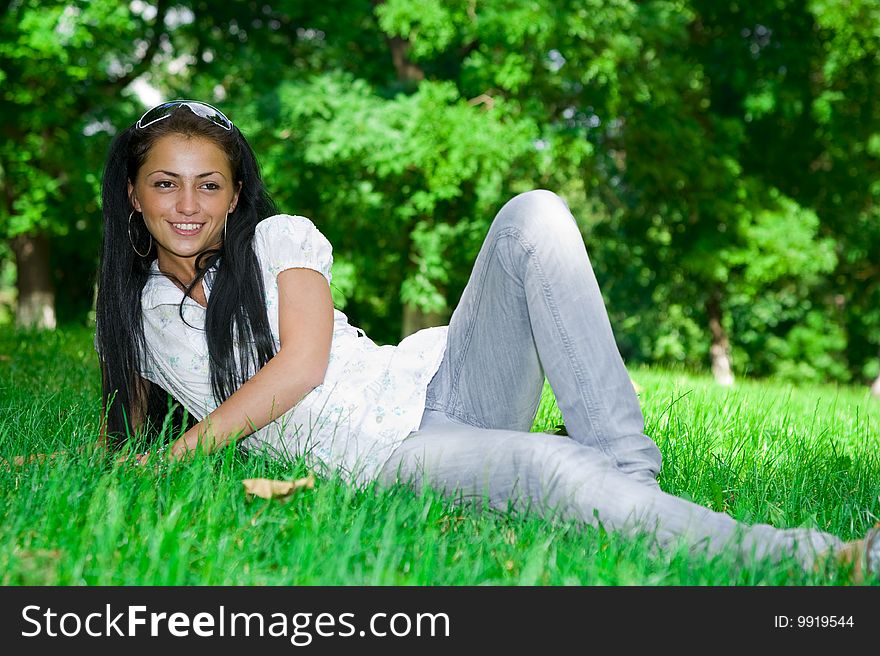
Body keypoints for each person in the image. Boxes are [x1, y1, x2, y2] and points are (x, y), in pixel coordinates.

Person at [92, 100, 878, 582]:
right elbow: (122, 433)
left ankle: (638, 480)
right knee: (551, 464)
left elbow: (301, 365)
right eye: (166, 182)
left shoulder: (278, 242)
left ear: (235, 196)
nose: (187, 203)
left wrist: (179, 455)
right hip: (384, 459)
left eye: (209, 184)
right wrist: (123, 458)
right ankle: (802, 553)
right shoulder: (135, 313)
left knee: (533, 213)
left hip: (441, 387)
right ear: (133, 192)